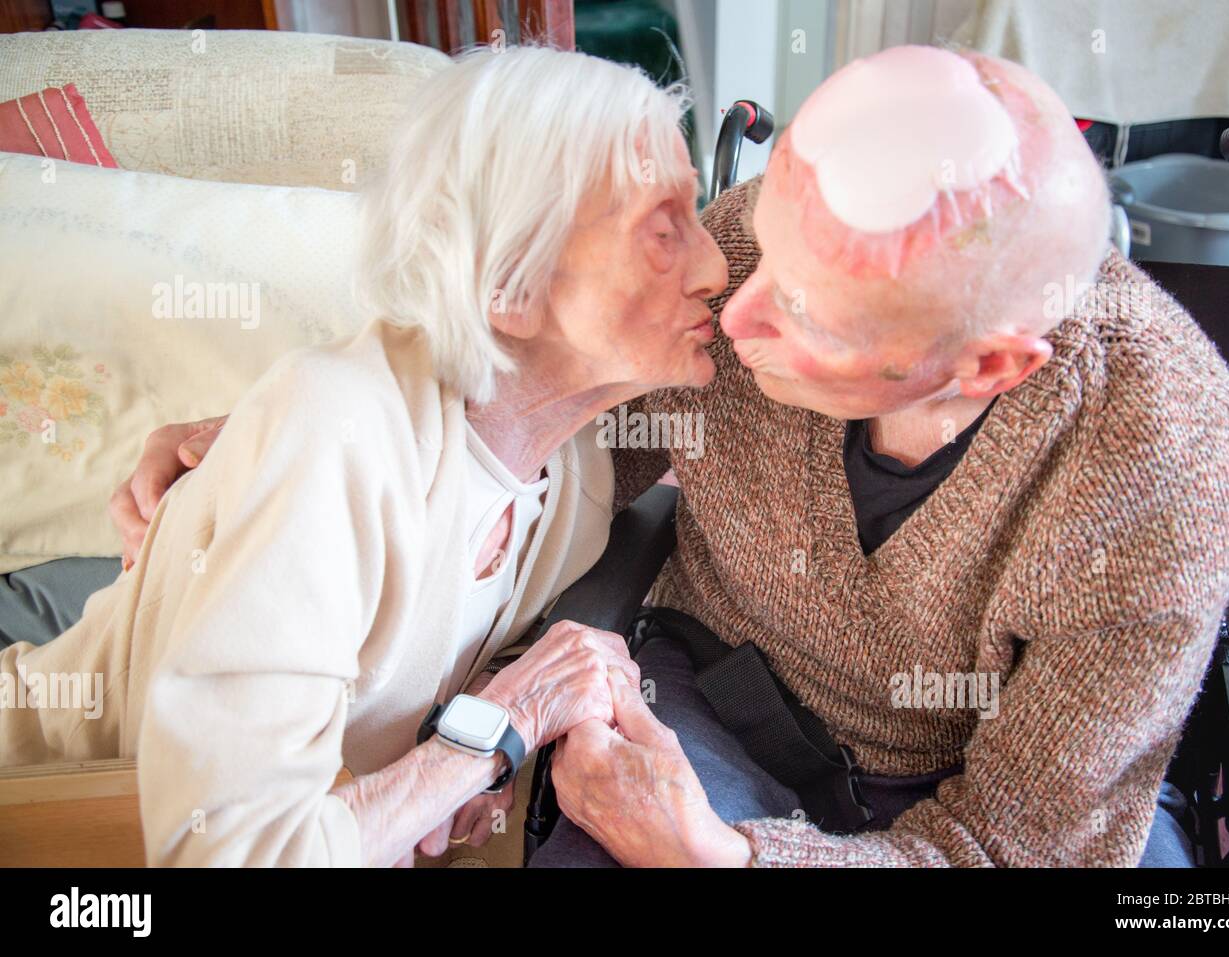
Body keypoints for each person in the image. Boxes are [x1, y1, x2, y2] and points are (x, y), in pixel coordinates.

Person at [112, 46, 1229, 867]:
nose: (729, 296)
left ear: (988, 368)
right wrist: (267, 438)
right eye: (736, 237)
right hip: (704, 697)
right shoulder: (791, 233)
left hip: (970, 802)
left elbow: (1019, 844)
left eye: (805, 317)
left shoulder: (1161, 467)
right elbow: (520, 382)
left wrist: (730, 861)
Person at [0, 45, 728, 867]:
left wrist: (457, 758)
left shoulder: (575, 485)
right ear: (509, 287)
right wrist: (500, 727)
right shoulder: (333, 432)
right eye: (664, 231)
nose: (714, 264)